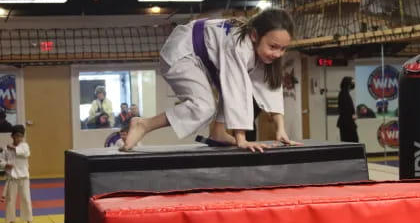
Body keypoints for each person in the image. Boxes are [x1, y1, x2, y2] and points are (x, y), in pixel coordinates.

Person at [124, 9, 299, 152]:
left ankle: (218, 132)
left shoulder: (261, 53)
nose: (277, 54)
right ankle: (144, 124)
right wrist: (241, 139)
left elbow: (270, 88)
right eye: (273, 47)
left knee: (228, 87)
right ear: (255, 36)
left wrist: (280, 130)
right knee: (204, 107)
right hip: (182, 51)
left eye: (283, 49)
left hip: (204, 58)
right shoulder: (239, 46)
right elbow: (236, 89)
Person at [0, 125, 34, 223]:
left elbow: (25, 153)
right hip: (12, 178)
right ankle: (11, 220)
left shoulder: (25, 146)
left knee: (26, 198)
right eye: (16, 136)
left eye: (20, 136)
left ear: (23, 137)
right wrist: (6, 165)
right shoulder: (6, 149)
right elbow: (1, 160)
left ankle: (28, 219)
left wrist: (14, 148)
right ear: (12, 136)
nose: (18, 138)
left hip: (24, 177)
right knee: (11, 199)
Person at [337, 77, 359, 142]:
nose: (353, 84)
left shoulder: (345, 93)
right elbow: (345, 109)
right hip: (347, 123)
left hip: (347, 122)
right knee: (352, 141)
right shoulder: (344, 94)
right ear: (347, 83)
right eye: (352, 82)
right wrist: (352, 116)